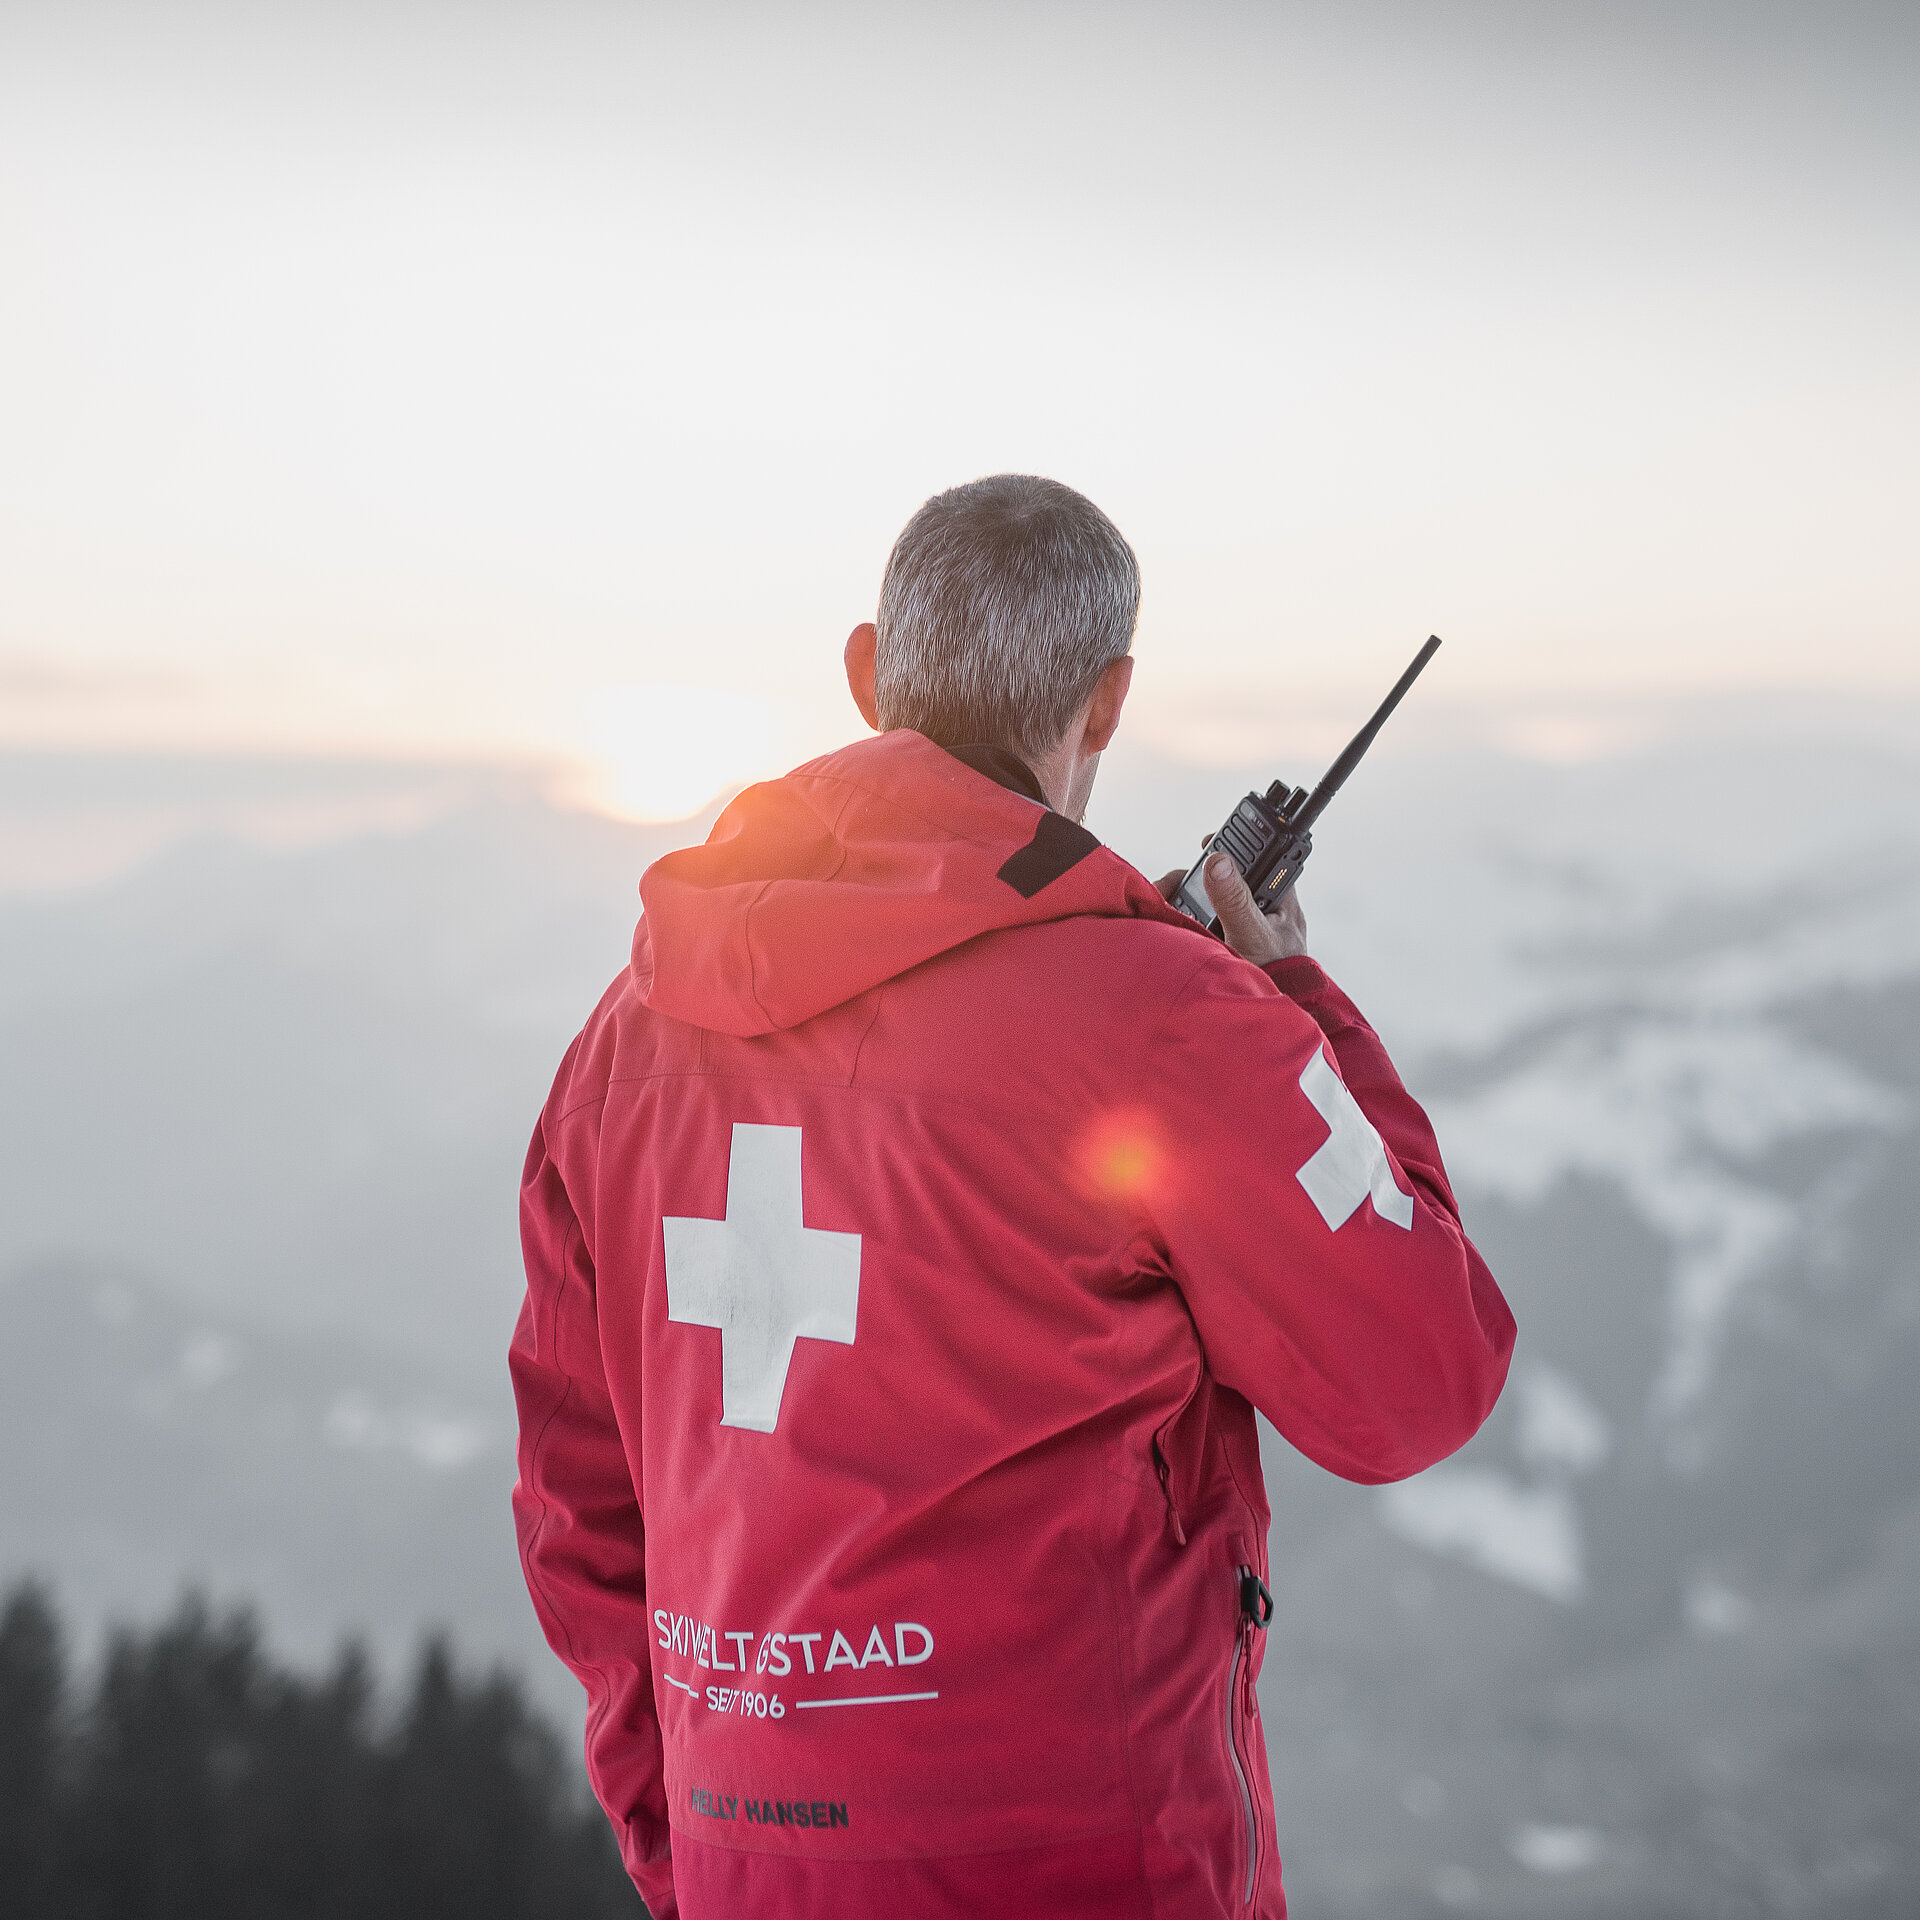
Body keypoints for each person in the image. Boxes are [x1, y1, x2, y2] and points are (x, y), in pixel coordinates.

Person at [510, 474, 1515, 1919]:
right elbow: (1423, 1372)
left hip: (750, 1877)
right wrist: (1291, 1001)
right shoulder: (1164, 1018)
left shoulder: (619, 1040)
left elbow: (578, 1504)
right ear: (1106, 705)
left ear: (867, 676)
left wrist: (696, 1852)